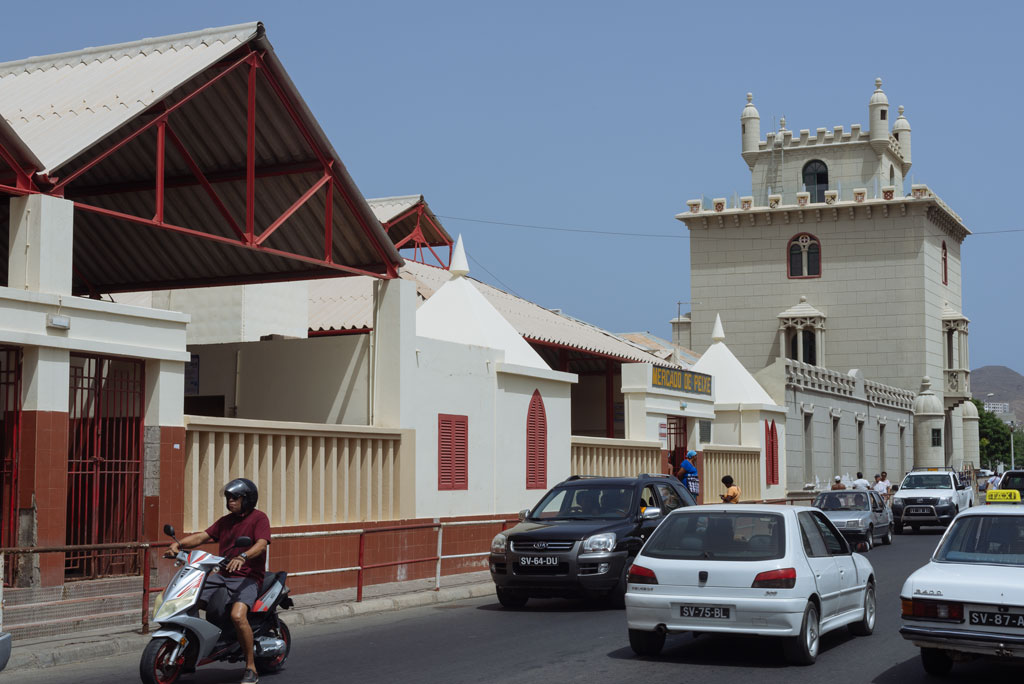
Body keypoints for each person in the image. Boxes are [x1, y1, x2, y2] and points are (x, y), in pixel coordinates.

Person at [165, 478, 271, 684]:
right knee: (187, 603)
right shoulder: (226, 521)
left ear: (247, 499)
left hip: (248, 577)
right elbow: (203, 536)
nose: (230, 501)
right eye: (228, 498)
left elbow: (261, 545)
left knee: (238, 616)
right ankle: (192, 652)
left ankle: (251, 667)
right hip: (223, 575)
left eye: (235, 498)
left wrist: (243, 557)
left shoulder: (259, 519)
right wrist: (177, 545)